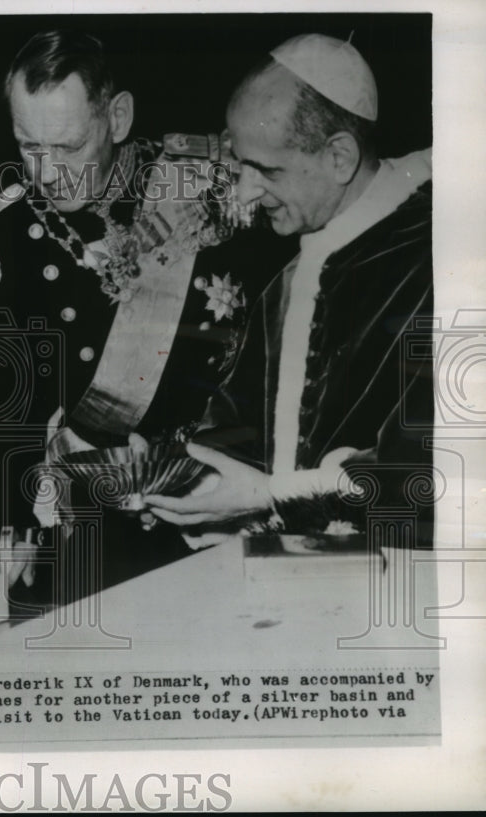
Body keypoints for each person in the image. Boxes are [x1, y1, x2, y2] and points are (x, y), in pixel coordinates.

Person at [0, 29, 294, 601]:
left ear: (117, 118)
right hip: (78, 546)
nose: (47, 173)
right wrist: (9, 514)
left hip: (212, 522)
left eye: (67, 147)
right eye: (28, 146)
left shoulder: (211, 193)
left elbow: (283, 349)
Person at [144, 34, 434, 547]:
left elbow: (434, 473)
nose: (244, 191)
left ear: (339, 157)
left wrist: (267, 494)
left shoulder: (440, 259)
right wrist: (167, 477)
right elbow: (238, 436)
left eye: (265, 169)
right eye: (241, 164)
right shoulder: (285, 284)